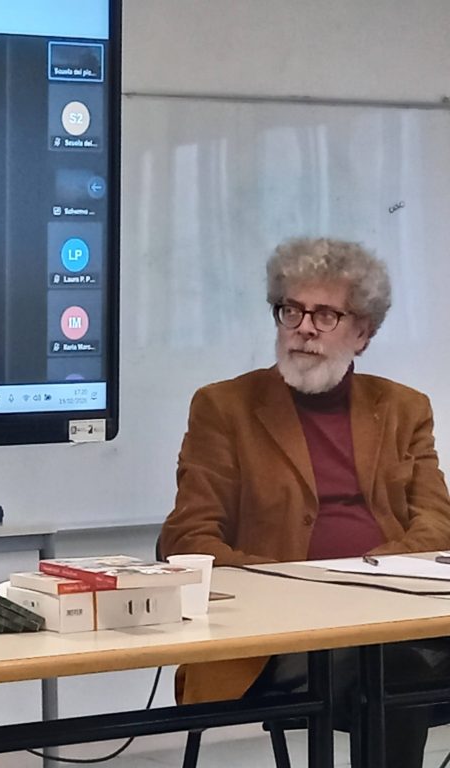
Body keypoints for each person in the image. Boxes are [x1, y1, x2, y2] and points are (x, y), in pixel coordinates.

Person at [160, 237, 450, 766]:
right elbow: (187, 539)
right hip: (269, 640)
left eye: (326, 315)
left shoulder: (404, 408)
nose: (304, 328)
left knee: (397, 661)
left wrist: (368, 578)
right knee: (397, 670)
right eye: (291, 311)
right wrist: (306, 588)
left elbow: (436, 525)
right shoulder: (224, 407)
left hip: (393, 617)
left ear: (363, 333)